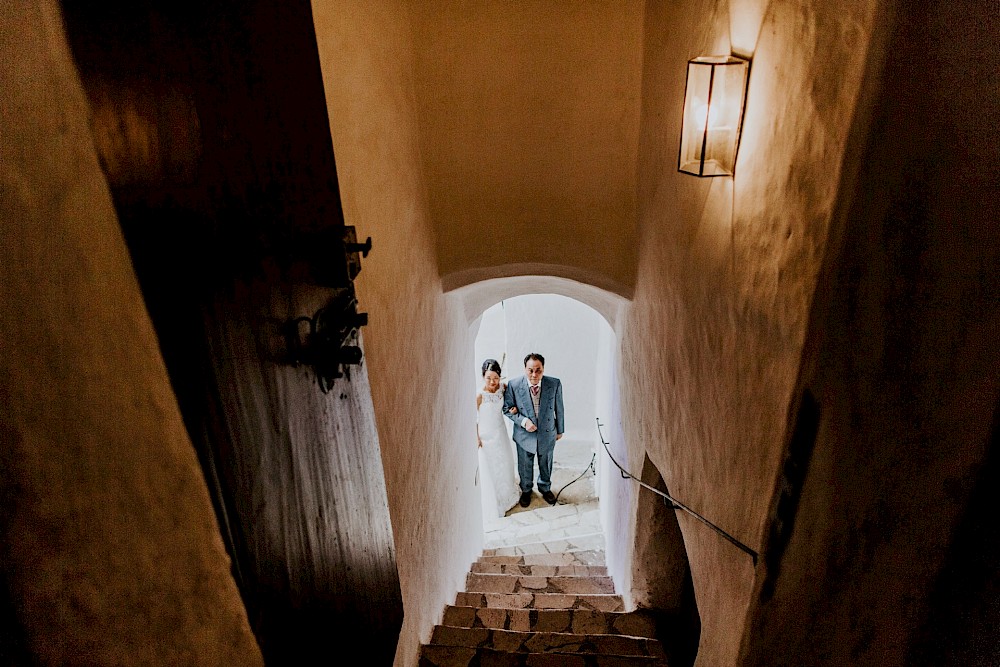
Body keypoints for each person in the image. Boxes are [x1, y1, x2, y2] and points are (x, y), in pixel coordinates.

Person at [504, 353, 564, 507]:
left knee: (546, 462)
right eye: (530, 370)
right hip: (524, 434)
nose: (534, 374)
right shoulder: (514, 385)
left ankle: (545, 487)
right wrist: (524, 421)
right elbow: (506, 408)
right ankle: (526, 490)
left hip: (548, 432)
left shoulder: (554, 383)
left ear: (543, 369)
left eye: (538, 370)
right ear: (525, 369)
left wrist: (560, 430)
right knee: (524, 464)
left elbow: (559, 408)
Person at [476, 359, 521, 519]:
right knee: (491, 467)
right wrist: (477, 438)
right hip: (485, 436)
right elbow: (472, 418)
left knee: (505, 462)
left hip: (500, 432)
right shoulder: (480, 395)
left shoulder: (503, 388)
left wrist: (513, 408)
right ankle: (494, 499)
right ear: (483, 377)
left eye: (495, 377)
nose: (492, 382)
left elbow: (510, 404)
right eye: (488, 378)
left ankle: (507, 494)